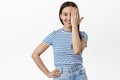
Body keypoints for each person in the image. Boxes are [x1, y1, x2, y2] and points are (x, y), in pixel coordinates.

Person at [31, 1, 88, 80]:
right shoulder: (54, 35)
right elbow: (35, 54)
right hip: (61, 75)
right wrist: (47, 73)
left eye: (72, 15)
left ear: (76, 16)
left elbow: (77, 50)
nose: (68, 18)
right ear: (60, 16)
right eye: (65, 14)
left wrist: (75, 25)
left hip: (80, 74)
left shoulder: (82, 35)